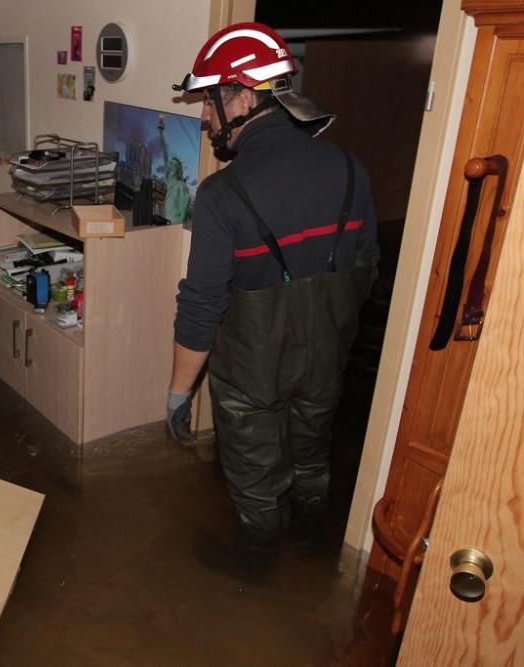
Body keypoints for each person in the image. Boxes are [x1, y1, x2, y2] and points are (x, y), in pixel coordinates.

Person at [165, 23, 380, 559]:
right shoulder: (351, 168)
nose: (205, 114)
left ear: (241, 95)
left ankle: (258, 576)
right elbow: (368, 268)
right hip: (328, 360)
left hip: (252, 375)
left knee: (258, 480)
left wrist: (178, 394)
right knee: (311, 458)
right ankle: (313, 553)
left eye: (210, 101)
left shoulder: (222, 194)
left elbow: (202, 307)